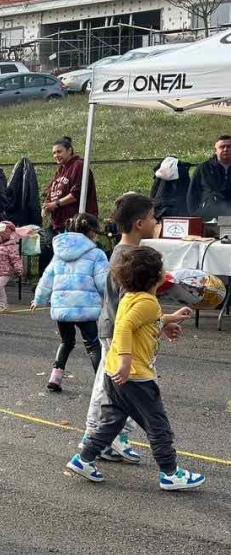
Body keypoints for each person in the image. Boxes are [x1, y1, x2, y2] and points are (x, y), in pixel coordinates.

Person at [67, 245, 205, 491]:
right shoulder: (148, 302)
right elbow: (125, 327)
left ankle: (84, 459)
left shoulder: (132, 297)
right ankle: (170, 473)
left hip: (114, 375)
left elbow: (140, 320)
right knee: (158, 425)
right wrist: (127, 360)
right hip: (137, 378)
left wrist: (168, 319)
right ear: (157, 276)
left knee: (111, 422)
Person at [82, 193, 191, 463]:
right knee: (113, 389)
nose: (157, 221)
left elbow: (139, 310)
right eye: (154, 217)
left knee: (120, 390)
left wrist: (161, 323)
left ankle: (110, 439)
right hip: (117, 332)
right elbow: (128, 311)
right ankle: (95, 439)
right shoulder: (129, 258)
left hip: (122, 330)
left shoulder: (129, 254)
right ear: (141, 223)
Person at [31, 213, 108, 392]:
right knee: (92, 344)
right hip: (85, 308)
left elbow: (47, 278)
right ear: (90, 232)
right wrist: (111, 299)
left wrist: (39, 299)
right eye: (96, 232)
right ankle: (101, 384)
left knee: (67, 341)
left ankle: (55, 378)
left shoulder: (59, 253)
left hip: (62, 307)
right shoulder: (96, 254)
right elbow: (103, 282)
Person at [42, 136, 97, 272]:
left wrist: (56, 204)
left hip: (74, 223)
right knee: (47, 249)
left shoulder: (78, 165)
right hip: (57, 222)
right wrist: (46, 206)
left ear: (69, 150)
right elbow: (50, 192)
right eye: (54, 153)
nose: (56, 155)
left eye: (59, 152)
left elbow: (76, 194)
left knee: (69, 259)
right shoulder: (60, 170)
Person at [186, 134, 231, 220]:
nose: (226, 149)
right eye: (222, 147)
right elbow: (192, 194)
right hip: (209, 217)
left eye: (229, 146)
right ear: (215, 150)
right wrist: (194, 215)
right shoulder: (203, 168)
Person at [0, 221, 23, 312]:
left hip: (6, 271)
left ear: (4, 236)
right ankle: (3, 303)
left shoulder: (10, 247)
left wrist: (19, 269)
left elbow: (16, 259)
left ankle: (2, 304)